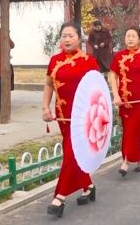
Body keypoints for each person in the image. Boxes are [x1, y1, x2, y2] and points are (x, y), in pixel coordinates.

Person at [43, 22, 100, 217]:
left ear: (79, 38)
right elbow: (49, 85)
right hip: (62, 114)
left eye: (71, 36)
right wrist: (46, 107)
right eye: (64, 36)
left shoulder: (89, 61)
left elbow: (97, 90)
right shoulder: (54, 60)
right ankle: (88, 186)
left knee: (70, 152)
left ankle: (59, 197)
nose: (67, 39)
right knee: (73, 153)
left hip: (83, 117)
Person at [109, 26, 140, 176]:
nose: (129, 38)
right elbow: (113, 76)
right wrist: (115, 95)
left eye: (133, 36)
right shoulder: (119, 56)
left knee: (136, 130)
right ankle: (137, 159)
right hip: (124, 101)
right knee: (128, 130)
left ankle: (126, 161)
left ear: (139, 39)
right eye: (127, 36)